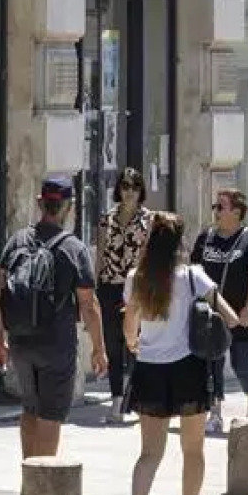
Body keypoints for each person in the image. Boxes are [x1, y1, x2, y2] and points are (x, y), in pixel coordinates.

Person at [122, 209, 238, 495]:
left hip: (149, 370)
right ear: (179, 244)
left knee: (149, 452)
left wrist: (134, 342)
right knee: (193, 450)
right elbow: (229, 318)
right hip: (189, 369)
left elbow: (130, 327)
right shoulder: (193, 277)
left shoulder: (136, 278)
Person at [0, 176, 106, 463]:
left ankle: (29, 482)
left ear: (40, 203)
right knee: (51, 417)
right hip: (56, 344)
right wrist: (99, 347)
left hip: (20, 341)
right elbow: (88, 304)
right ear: (70, 207)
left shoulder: (17, 241)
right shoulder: (73, 249)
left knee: (30, 409)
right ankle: (40, 486)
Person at [191, 188, 248, 434]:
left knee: (242, 365)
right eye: (215, 206)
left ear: (236, 212)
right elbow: (194, 271)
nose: (215, 210)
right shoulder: (206, 237)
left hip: (239, 317)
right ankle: (214, 413)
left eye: (220, 206)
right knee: (211, 365)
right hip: (210, 316)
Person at [95, 167, 152, 423]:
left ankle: (137, 396)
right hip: (110, 285)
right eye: (125, 186)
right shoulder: (106, 219)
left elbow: (150, 255)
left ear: (141, 191)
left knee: (136, 343)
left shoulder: (149, 220)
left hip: (137, 287)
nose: (129, 192)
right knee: (112, 342)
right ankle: (117, 398)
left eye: (134, 187)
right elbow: (100, 255)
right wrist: (94, 287)